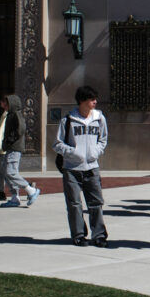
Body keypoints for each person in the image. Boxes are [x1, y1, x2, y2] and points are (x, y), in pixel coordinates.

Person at [54, 86, 109, 247]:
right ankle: (78, 235)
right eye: (92, 99)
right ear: (82, 101)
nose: (95, 102)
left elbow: (103, 140)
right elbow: (57, 144)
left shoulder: (99, 118)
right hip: (72, 169)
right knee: (74, 203)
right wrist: (73, 152)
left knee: (96, 203)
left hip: (92, 167)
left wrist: (96, 152)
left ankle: (99, 235)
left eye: (95, 99)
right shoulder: (68, 120)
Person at [0, 94, 40, 208]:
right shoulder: (11, 114)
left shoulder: (16, 114)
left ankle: (31, 190)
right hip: (11, 148)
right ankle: (15, 197)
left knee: (10, 172)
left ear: (10, 103)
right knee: (7, 172)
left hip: (14, 148)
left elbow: (21, 129)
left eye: (4, 103)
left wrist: (10, 139)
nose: (2, 105)